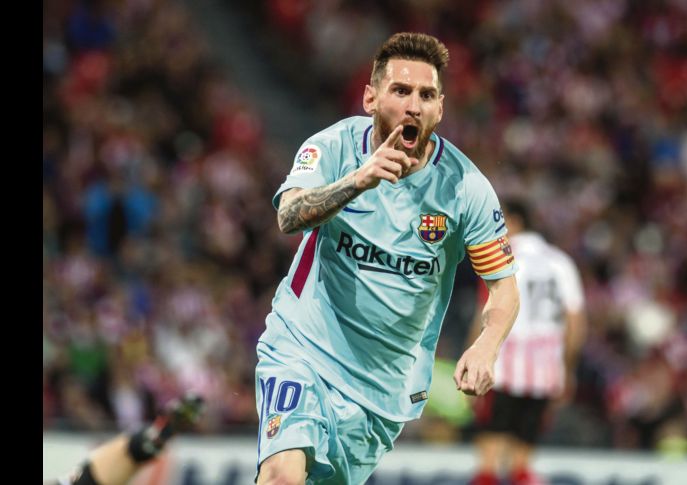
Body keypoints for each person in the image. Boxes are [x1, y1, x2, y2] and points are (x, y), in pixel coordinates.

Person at [255, 32, 521, 484]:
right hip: (303, 349)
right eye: (401, 91)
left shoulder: (465, 188)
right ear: (371, 98)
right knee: (282, 474)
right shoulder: (333, 148)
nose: (413, 105)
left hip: (382, 389)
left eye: (426, 94)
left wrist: (486, 345)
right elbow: (289, 214)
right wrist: (356, 182)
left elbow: (504, 286)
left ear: (440, 108)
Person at [468, 199, 587, 485]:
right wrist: (566, 368)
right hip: (545, 370)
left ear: (514, 221)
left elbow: (485, 312)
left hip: (504, 366)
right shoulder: (561, 262)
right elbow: (575, 322)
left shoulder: (501, 258)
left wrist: (473, 353)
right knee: (523, 463)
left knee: (489, 461)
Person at [45, 393, 204, 485]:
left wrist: (167, 429)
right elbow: (146, 445)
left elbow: (145, 447)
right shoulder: (139, 438)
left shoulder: (140, 441)